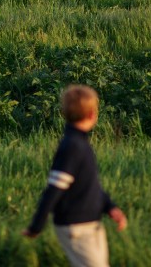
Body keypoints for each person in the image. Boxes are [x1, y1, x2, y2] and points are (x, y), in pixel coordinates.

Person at [22, 85, 127, 267]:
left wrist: (110, 207)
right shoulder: (72, 147)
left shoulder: (80, 144)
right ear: (93, 114)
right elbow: (54, 189)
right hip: (76, 226)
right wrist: (36, 226)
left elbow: (88, 185)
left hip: (90, 224)